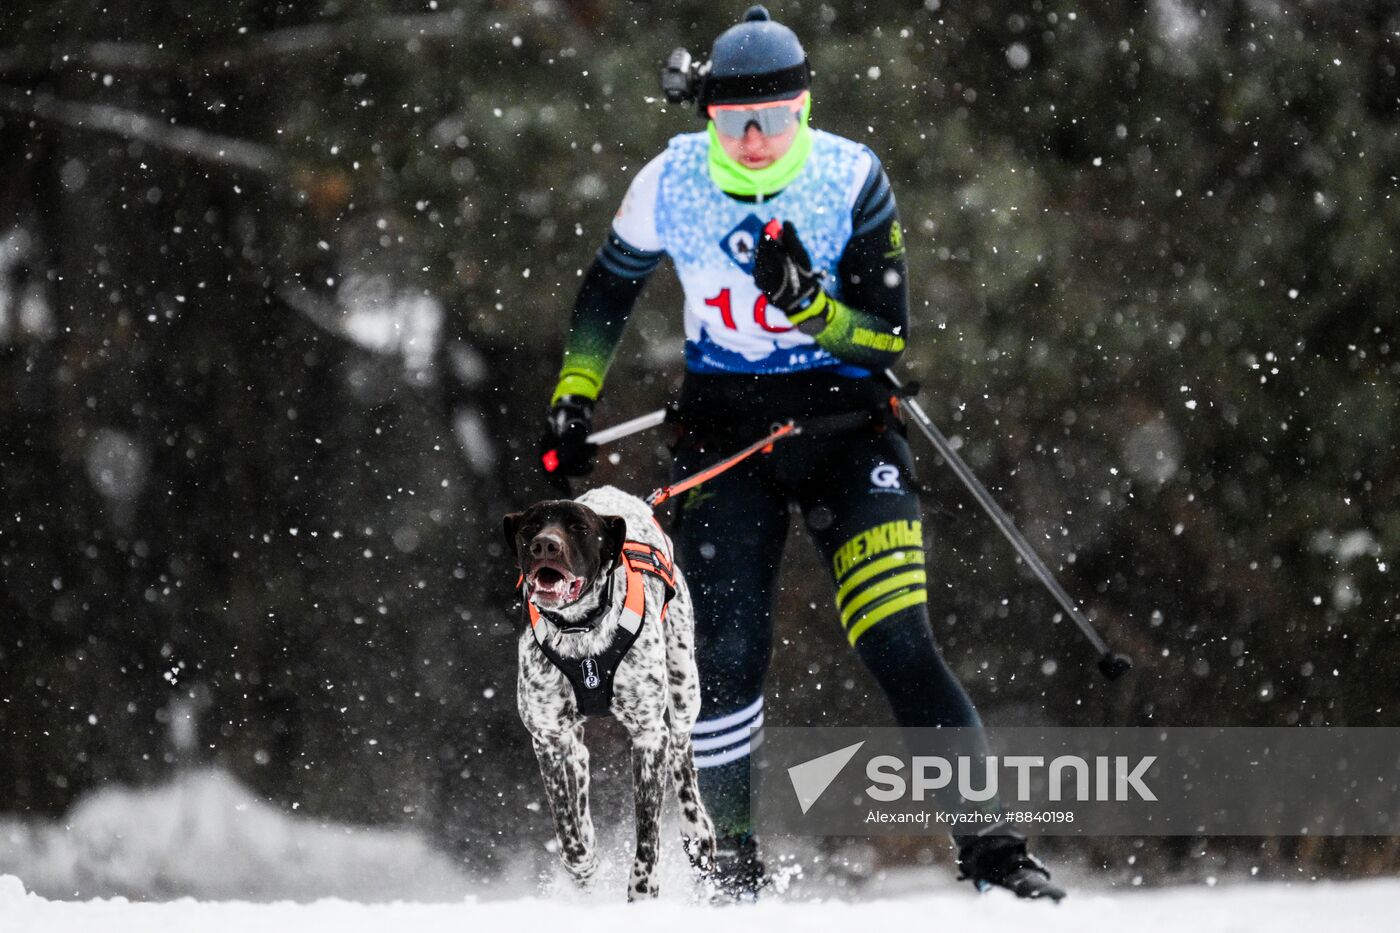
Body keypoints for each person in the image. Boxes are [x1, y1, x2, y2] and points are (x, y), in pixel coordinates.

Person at [538, 5, 1064, 902]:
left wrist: (813, 309)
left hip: (845, 433)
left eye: (775, 119)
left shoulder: (850, 176)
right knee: (728, 655)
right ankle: (731, 862)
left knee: (898, 637)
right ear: (705, 113)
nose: (753, 139)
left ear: (805, 112)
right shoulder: (669, 181)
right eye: (734, 120)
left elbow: (884, 338)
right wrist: (573, 394)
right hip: (724, 434)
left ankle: (991, 848)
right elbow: (607, 291)